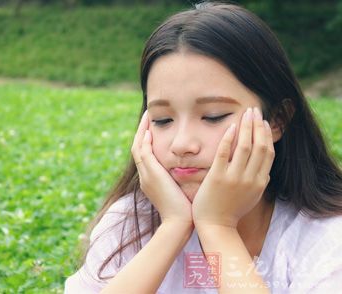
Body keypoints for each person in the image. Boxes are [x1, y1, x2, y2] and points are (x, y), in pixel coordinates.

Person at [65, 2, 342, 293]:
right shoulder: (129, 223)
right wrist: (172, 227)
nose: (182, 143)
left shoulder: (326, 236)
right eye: (162, 119)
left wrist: (218, 227)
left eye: (213, 116)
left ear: (276, 120)